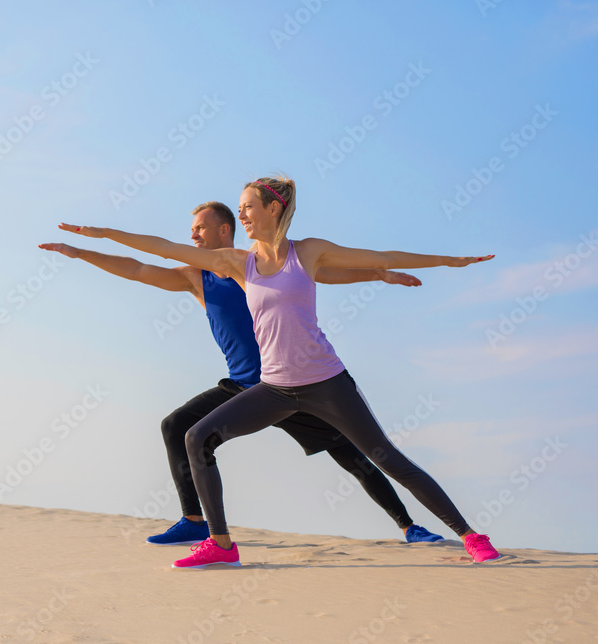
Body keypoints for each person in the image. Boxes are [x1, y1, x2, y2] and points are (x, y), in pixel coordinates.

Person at [55, 174, 501, 568]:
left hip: (326, 383)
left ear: (273, 209)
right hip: (274, 388)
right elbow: (158, 251)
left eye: (248, 206)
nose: (243, 214)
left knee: (385, 457)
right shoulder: (237, 263)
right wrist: (99, 235)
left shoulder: (308, 253)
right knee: (194, 435)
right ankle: (221, 543)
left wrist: (445, 262)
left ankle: (470, 536)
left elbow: (379, 254)